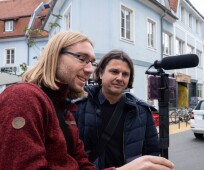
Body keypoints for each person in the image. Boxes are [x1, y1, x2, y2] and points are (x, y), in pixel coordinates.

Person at [0, 31, 174, 170]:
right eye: (82, 58)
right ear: (55, 55)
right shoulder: (24, 98)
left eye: (91, 62)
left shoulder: (65, 109)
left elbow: (81, 164)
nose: (89, 69)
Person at [73, 50, 161, 169]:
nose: (120, 78)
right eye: (114, 71)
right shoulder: (79, 107)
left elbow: (152, 153)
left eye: (125, 74)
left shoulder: (141, 111)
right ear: (100, 73)